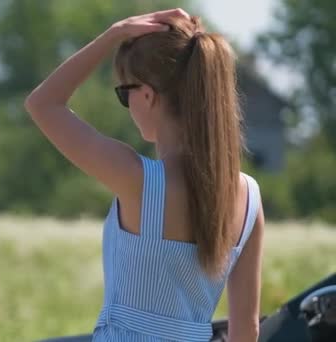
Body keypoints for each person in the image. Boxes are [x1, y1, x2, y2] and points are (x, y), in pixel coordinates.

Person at [24, 8, 264, 342]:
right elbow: (247, 330)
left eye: (124, 93)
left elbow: (43, 103)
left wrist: (114, 34)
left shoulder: (139, 180)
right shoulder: (248, 197)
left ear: (148, 95)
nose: (127, 103)